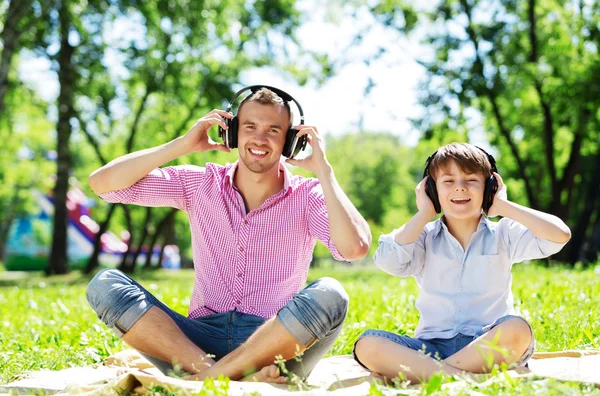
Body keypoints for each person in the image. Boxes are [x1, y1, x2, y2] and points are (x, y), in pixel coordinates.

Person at [86, 86, 371, 382]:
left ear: (291, 142)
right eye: (250, 127)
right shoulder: (199, 183)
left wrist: (324, 171)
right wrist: (181, 146)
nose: (260, 139)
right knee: (105, 285)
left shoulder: (309, 195)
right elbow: (103, 184)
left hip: (276, 342)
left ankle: (207, 382)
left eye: (273, 130)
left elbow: (355, 248)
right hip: (196, 344)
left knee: (331, 293)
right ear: (232, 133)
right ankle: (225, 377)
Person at [353, 143, 571, 383]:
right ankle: (460, 378)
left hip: (487, 345)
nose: (460, 187)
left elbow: (559, 235)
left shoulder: (504, 233)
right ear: (432, 191)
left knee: (517, 329)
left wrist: (502, 206)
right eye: (448, 181)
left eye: (471, 180)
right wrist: (425, 213)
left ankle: (435, 375)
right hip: (429, 349)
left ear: (489, 188)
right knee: (367, 343)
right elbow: (387, 260)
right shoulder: (422, 236)